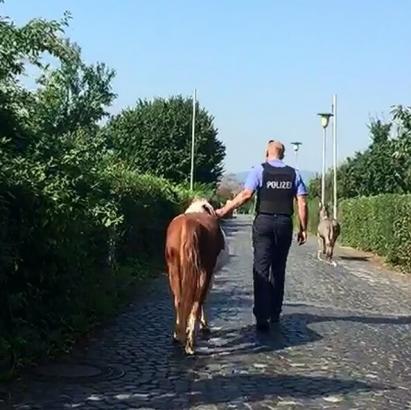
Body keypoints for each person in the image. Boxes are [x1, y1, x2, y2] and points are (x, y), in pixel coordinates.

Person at [216, 140, 308, 331]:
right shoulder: (294, 173)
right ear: (282, 154)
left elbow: (246, 195)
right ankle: (275, 312)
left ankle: (261, 315)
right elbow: (302, 203)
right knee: (278, 269)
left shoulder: (259, 170)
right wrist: (303, 228)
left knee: (261, 267)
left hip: (264, 222)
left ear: (267, 153)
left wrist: (225, 210)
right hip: (284, 223)